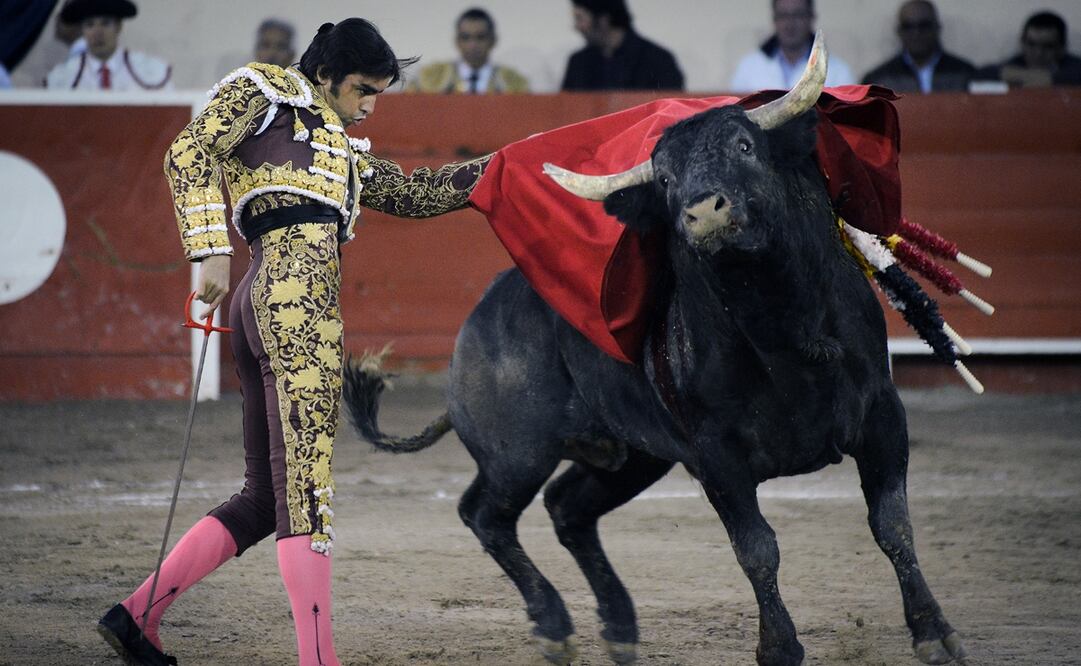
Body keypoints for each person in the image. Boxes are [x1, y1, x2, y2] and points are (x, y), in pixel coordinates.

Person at [95, 17, 490, 666]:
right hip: (295, 301)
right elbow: (188, 151)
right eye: (362, 90)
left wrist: (506, 169)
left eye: (379, 94)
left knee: (264, 498)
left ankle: (137, 615)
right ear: (326, 74)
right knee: (306, 493)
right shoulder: (264, 88)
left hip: (263, 301)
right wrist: (210, 247)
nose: (369, 107)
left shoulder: (336, 144)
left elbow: (415, 193)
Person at [728, 0, 853, 92]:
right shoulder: (748, 68)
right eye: (783, 15)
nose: (790, 24)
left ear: (811, 17)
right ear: (774, 19)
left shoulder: (838, 71)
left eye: (798, 15)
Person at [46, 0, 172, 90]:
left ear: (118, 26)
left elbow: (173, 115)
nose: (98, 33)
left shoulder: (150, 70)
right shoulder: (63, 76)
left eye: (105, 23)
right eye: (90, 25)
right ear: (82, 30)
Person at [561, 0, 684, 91]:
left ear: (603, 20)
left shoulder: (658, 61)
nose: (576, 27)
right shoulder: (578, 63)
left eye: (580, 18)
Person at [861, 0, 974, 93]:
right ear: (899, 31)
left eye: (924, 25)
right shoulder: (878, 80)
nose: (916, 33)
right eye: (908, 26)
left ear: (937, 28)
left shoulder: (965, 74)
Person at [407, 7, 529, 94]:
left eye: (480, 37)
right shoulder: (430, 77)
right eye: (466, 37)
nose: (473, 45)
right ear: (457, 41)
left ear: (493, 40)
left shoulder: (514, 83)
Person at [974, 11, 1081, 88]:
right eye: (1031, 45)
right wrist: (1034, 77)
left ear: (1062, 48)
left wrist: (1016, 77)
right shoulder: (1016, 62)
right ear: (1022, 44)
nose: (1038, 53)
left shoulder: (1074, 67)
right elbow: (983, 75)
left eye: (1048, 46)